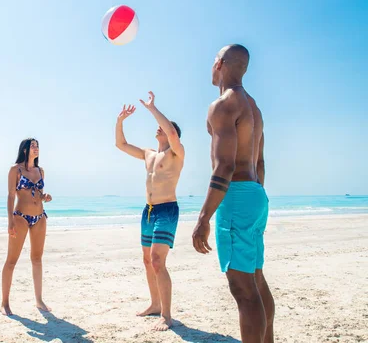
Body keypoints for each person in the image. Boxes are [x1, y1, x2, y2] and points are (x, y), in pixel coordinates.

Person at [192, 44, 274, 343]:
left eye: (214, 59)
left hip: (237, 194)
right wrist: (254, 198)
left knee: (243, 289)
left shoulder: (224, 105)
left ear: (221, 64)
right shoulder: (254, 108)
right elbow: (261, 163)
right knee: (256, 280)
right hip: (255, 193)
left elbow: (224, 166)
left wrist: (203, 218)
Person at [115, 91, 185, 331]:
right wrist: (120, 121)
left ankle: (167, 315)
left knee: (157, 260)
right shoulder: (149, 154)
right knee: (147, 261)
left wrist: (152, 108)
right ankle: (155, 304)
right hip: (148, 211)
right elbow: (120, 144)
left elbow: (173, 133)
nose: (158, 128)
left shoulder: (176, 153)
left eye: (162, 127)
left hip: (167, 210)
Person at [1, 138, 53, 316]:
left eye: (38, 146)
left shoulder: (41, 171)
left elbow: (38, 193)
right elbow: (10, 195)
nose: (36, 148)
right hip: (20, 217)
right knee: (11, 260)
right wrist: (10, 221)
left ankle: (39, 300)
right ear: (24, 149)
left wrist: (45, 196)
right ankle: (5, 303)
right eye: (33, 146)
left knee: (37, 259)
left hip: (39, 217)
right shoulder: (15, 170)